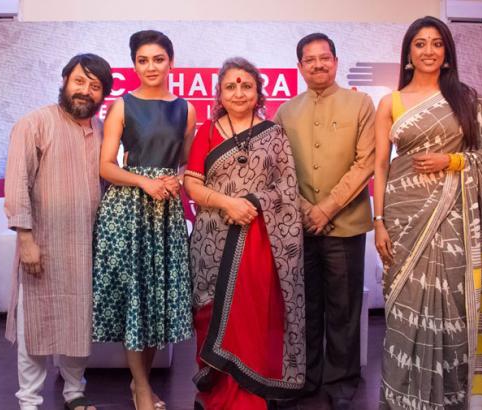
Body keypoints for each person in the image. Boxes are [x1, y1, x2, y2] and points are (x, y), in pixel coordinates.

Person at [373, 16, 482, 409]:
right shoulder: (390, 102)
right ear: (408, 53)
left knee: (452, 305)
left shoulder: (468, 100)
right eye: (420, 43)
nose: (429, 51)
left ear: (448, 53)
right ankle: (402, 400)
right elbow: (381, 167)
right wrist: (379, 222)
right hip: (402, 219)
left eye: (437, 43)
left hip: (455, 218)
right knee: (403, 308)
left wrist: (452, 161)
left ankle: (450, 400)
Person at [183, 57, 305, 410]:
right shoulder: (207, 131)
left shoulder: (274, 134)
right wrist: (228, 203)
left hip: (259, 242)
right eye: (230, 86)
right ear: (219, 94)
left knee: (253, 315)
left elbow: (287, 187)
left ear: (258, 92)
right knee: (209, 312)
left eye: (246, 85)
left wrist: (253, 202)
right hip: (211, 240)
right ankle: (215, 394)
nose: (238, 93)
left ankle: (250, 395)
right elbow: (192, 183)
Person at [91, 30, 195, 410]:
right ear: (134, 64)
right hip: (128, 212)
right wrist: (144, 181)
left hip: (165, 213)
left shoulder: (185, 109)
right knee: (136, 299)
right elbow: (105, 166)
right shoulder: (122, 105)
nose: (151, 67)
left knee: (156, 302)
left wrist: (176, 179)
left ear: (171, 62)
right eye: (142, 60)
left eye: (158, 59)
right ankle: (142, 388)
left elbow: (185, 164)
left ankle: (141, 385)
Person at [4, 53, 113, 410]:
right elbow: (17, 184)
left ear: (103, 94)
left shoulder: (102, 130)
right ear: (65, 81)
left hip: (86, 246)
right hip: (43, 244)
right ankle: (29, 400)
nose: (85, 91)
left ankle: (74, 392)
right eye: (79, 81)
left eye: (95, 86)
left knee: (78, 321)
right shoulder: (35, 123)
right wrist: (26, 239)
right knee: (36, 323)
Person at [274, 33, 375, 410]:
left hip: (345, 225)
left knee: (343, 308)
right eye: (310, 59)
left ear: (335, 61)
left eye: (324, 57)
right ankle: (305, 377)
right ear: (299, 66)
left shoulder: (360, 103)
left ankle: (342, 382)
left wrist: (327, 208)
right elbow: (279, 169)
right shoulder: (286, 111)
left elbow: (366, 162)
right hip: (299, 227)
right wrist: (305, 209)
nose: (318, 64)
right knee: (304, 307)